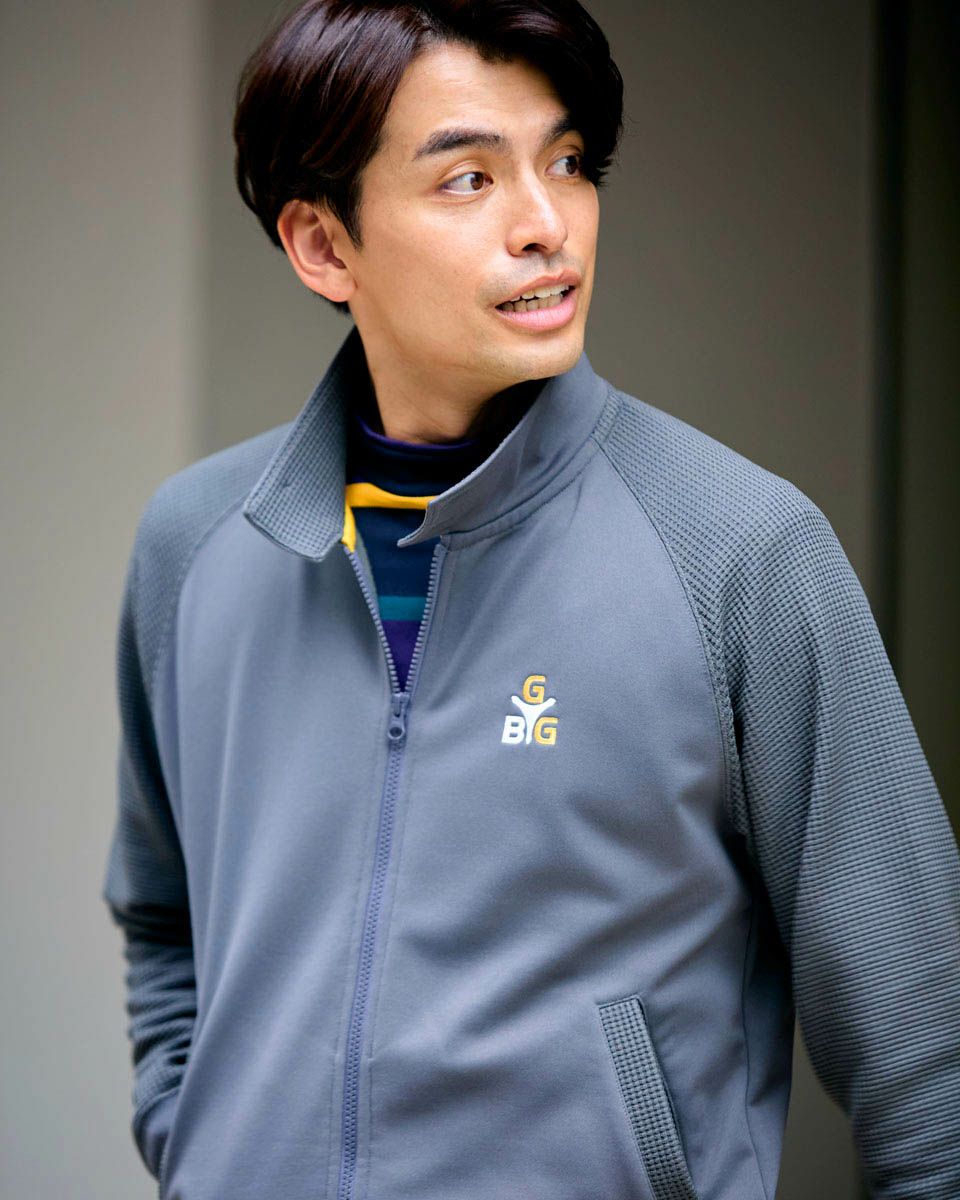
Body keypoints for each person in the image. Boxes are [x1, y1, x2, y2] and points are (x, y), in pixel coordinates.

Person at [101, 2, 960, 1198]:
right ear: (323, 245)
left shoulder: (740, 550)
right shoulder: (197, 546)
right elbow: (164, 924)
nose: (547, 223)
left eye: (566, 162)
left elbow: (928, 1059)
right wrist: (198, 1141)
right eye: (468, 179)